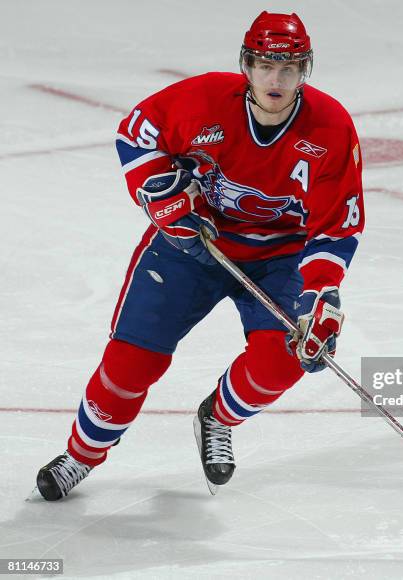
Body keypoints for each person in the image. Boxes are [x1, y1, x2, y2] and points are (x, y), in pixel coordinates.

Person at [35, 10, 364, 500]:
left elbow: (335, 226)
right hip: (190, 245)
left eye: (290, 68)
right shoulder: (203, 99)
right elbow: (135, 133)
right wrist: (159, 193)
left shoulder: (330, 128)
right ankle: (80, 456)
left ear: (305, 70)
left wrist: (321, 294)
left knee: (286, 360)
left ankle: (217, 418)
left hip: (281, 257)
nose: (276, 79)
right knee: (130, 363)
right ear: (246, 65)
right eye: (266, 65)